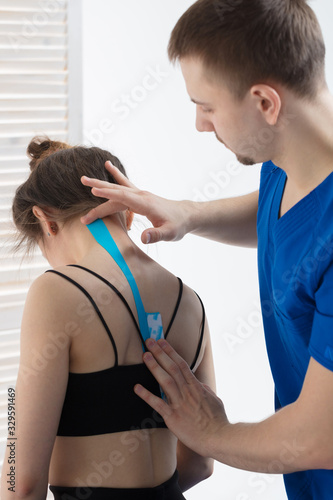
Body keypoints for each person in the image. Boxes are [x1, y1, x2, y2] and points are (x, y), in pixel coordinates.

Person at [79, 0, 333, 499]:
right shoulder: (294, 158)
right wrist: (187, 213)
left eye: (207, 106)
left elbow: (318, 437)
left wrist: (210, 432)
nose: (199, 124)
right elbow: (283, 212)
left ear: (264, 103)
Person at [0, 137, 215, 500]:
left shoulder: (56, 291)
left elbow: (21, 485)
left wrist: (13, 415)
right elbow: (200, 464)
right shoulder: (191, 302)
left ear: (45, 221)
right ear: (128, 211)